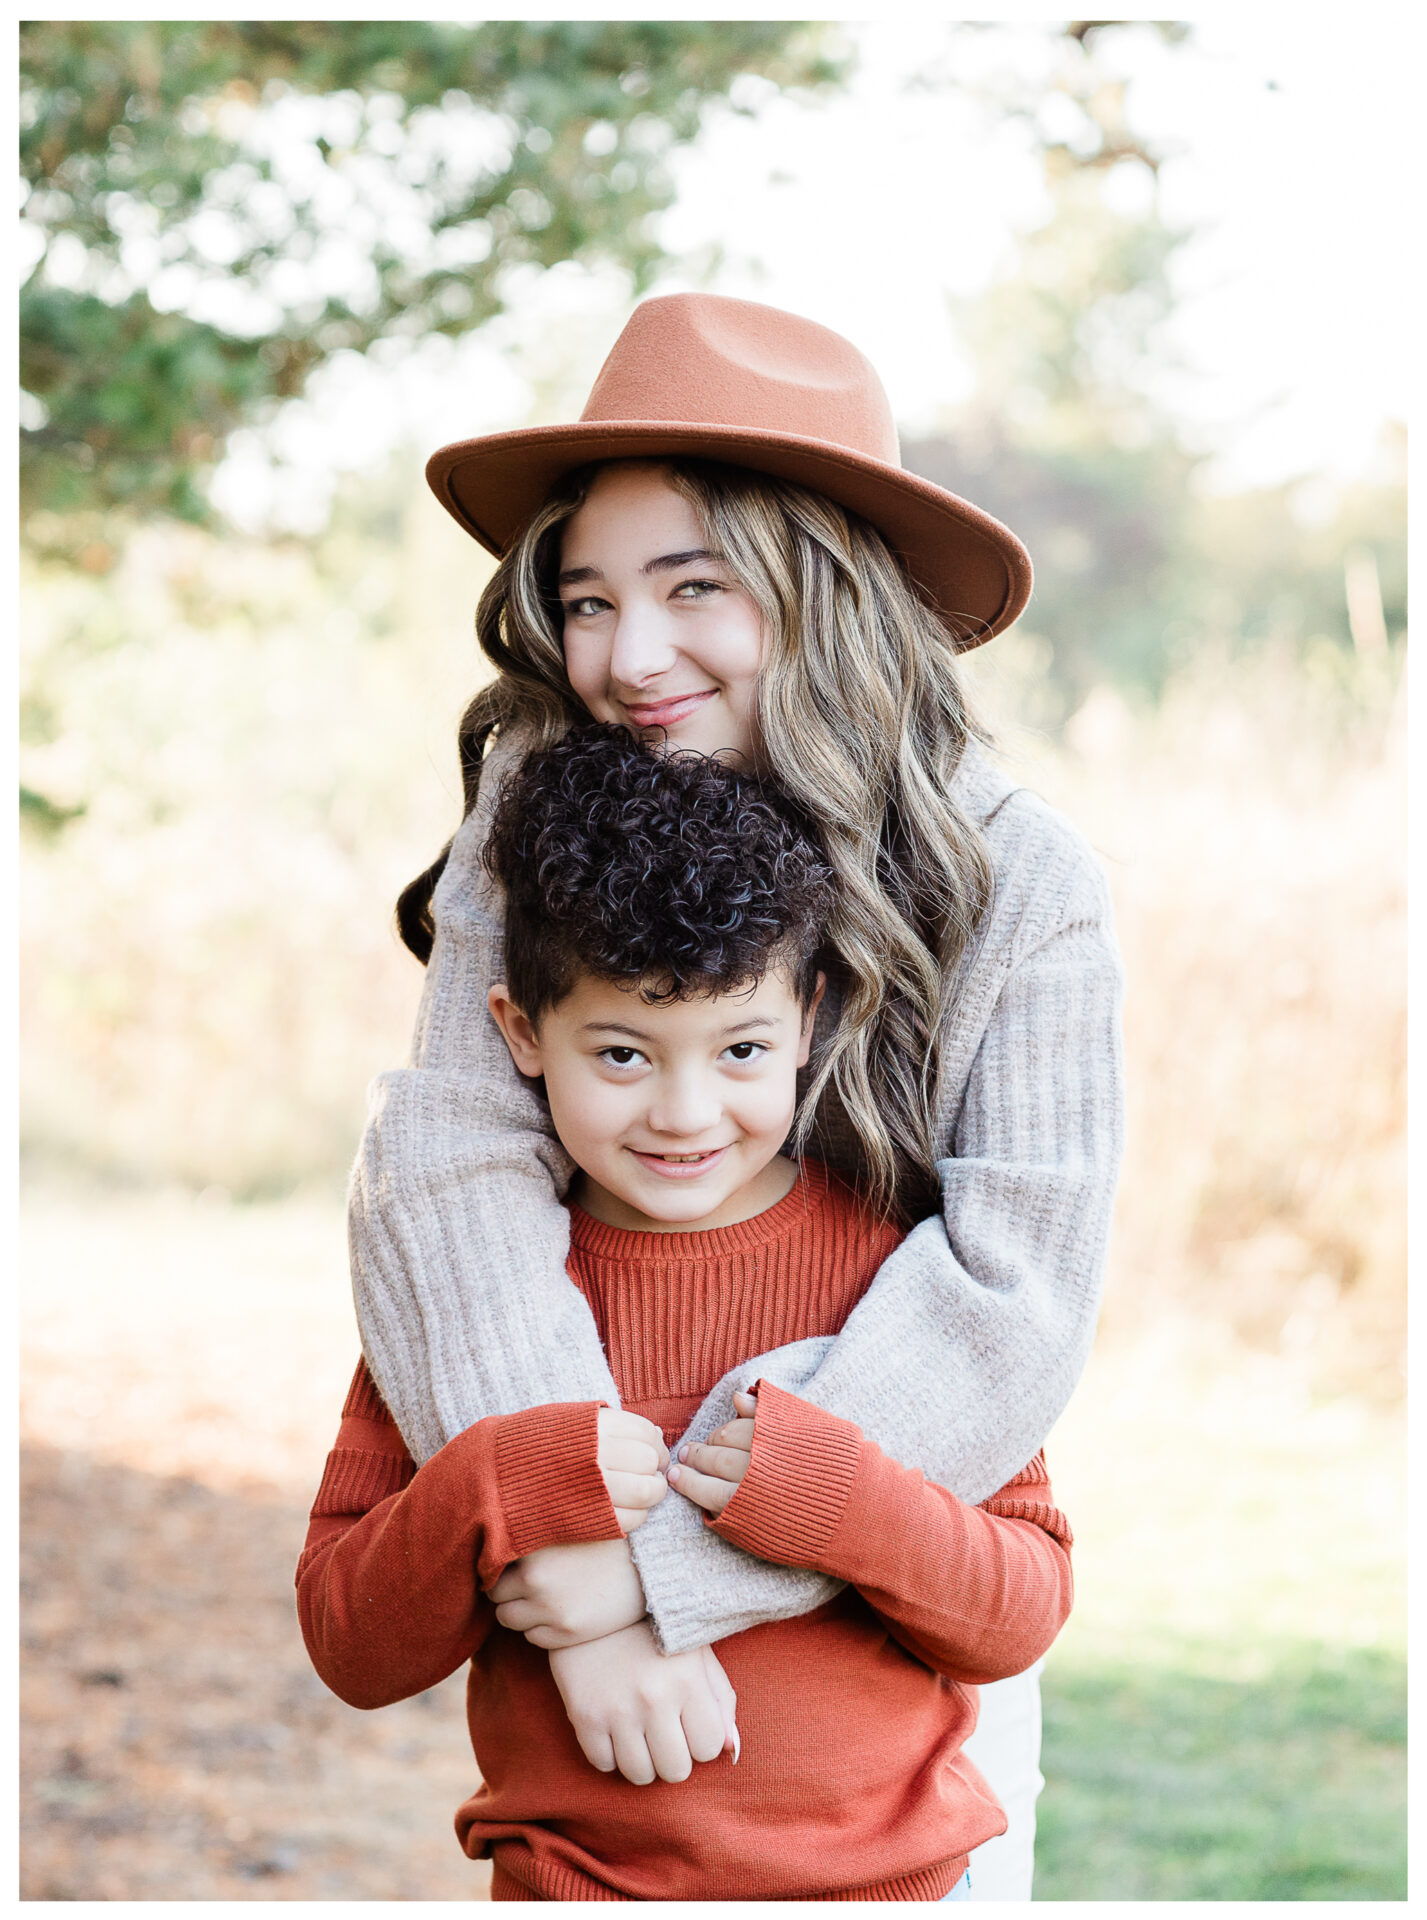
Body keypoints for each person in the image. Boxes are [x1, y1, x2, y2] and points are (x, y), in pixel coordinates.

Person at [346, 293, 1125, 1899]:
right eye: (586, 598)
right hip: (590, 1709)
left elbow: (1012, 1287)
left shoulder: (1019, 877)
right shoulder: (539, 806)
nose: (628, 658)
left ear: (822, 587)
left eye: (694, 588)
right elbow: (454, 1167)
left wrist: (662, 1577)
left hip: (890, 1636)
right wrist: (564, 1540)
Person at [299, 727, 1076, 1902]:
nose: (683, 1111)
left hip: (892, 1890)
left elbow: (1016, 1612)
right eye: (620, 1052)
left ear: (810, 1018)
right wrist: (499, 1485)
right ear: (519, 1033)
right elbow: (351, 1642)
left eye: (741, 1048)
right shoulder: (478, 1292)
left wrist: (841, 1500)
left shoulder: (892, 1273)